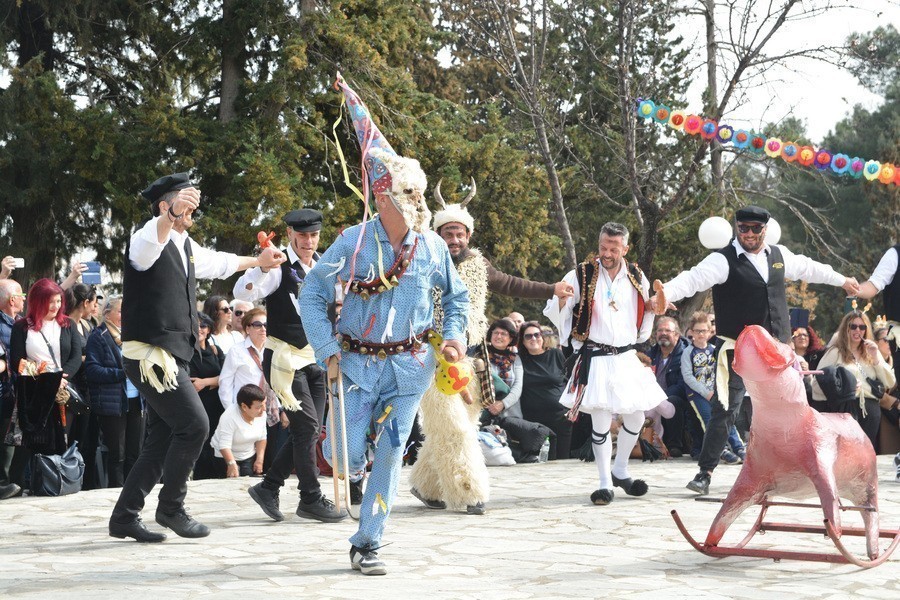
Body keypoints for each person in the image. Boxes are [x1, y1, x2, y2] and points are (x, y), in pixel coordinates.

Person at [299, 73, 468, 576]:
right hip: (353, 363)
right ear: (383, 195)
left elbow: (455, 299)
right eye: (407, 195)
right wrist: (326, 346)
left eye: (420, 196)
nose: (418, 204)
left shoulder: (433, 246)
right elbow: (311, 294)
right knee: (343, 453)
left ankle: (368, 541)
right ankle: (348, 449)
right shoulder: (352, 241)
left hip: (411, 367)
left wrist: (455, 338)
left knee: (392, 452)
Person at [108, 171, 285, 543]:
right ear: (164, 205)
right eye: (183, 201)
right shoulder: (145, 238)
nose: (191, 208)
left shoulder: (185, 246)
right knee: (195, 426)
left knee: (160, 439)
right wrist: (169, 214)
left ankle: (124, 516)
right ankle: (171, 507)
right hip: (152, 357)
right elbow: (150, 244)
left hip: (173, 356)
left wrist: (259, 260)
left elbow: (219, 262)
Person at [651, 205, 859, 495]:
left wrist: (842, 280)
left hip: (775, 349)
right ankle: (705, 472)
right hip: (737, 349)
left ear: (765, 229)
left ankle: (793, 469)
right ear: (736, 228)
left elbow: (810, 267)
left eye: (755, 229)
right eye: (743, 228)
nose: (748, 234)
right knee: (726, 407)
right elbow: (692, 278)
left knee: (788, 407)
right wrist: (666, 294)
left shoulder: (778, 255)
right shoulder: (723, 260)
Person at [409, 180, 573, 513]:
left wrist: (551, 289)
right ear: (438, 235)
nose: (454, 240)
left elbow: (513, 284)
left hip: (468, 358)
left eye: (459, 234)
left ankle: (425, 485)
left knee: (459, 426)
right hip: (428, 357)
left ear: (467, 236)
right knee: (453, 427)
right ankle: (467, 493)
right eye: (447, 234)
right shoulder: (421, 264)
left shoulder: (479, 267)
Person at [236, 208, 345, 523]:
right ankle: (310, 497)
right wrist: (260, 265)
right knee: (308, 426)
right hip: (284, 359)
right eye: (302, 236)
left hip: (316, 358)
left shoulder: (324, 267)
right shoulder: (277, 266)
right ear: (290, 236)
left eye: (313, 235)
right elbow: (242, 293)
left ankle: (269, 487)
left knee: (308, 430)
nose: (308, 241)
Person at [544, 222, 665, 505]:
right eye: (603, 247)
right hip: (595, 355)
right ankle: (604, 482)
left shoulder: (636, 275)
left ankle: (620, 468)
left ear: (625, 248)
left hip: (624, 357)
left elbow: (646, 312)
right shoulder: (580, 274)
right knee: (600, 418)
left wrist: (653, 307)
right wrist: (562, 301)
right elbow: (555, 309)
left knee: (635, 416)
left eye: (613, 248)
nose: (607, 253)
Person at [9, 278, 84, 458]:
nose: (55, 306)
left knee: (62, 442)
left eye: (58, 301)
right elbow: (17, 361)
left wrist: (61, 378)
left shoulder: (68, 325)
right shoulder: (22, 326)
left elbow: (75, 356)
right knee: (34, 443)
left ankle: (59, 481)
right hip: (34, 393)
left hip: (62, 391)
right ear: (37, 301)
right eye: (50, 301)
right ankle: (30, 482)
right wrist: (47, 378)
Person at [83, 296, 145, 488]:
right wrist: (122, 374)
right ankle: (116, 492)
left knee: (135, 452)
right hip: (113, 404)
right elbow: (92, 370)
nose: (125, 315)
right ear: (107, 313)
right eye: (120, 311)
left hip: (137, 400)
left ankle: (133, 492)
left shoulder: (133, 335)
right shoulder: (98, 336)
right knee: (117, 454)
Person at [811, 311, 895, 449]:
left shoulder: (872, 352)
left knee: (865, 455)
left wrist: (875, 357)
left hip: (871, 410)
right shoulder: (835, 352)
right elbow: (817, 384)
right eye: (853, 326)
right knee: (846, 454)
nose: (858, 330)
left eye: (862, 327)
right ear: (846, 328)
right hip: (845, 410)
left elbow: (890, 382)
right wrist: (845, 387)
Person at [680, 311, 745, 464]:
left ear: (710, 332)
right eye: (697, 331)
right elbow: (688, 377)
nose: (701, 334)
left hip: (717, 392)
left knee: (726, 417)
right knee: (708, 420)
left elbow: (722, 372)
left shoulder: (715, 350)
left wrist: (718, 390)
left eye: (704, 330)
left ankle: (739, 447)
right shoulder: (687, 352)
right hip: (697, 394)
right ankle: (720, 450)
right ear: (692, 332)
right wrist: (705, 392)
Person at [64, 283, 101, 489]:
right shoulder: (65, 324)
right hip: (70, 388)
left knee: (88, 440)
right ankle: (69, 480)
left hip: (87, 388)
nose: (94, 307)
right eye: (93, 302)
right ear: (85, 303)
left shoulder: (87, 325)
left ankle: (86, 483)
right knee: (70, 439)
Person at [517, 321, 571, 460]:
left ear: (542, 337)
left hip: (560, 417)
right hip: (534, 421)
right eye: (528, 336)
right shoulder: (519, 360)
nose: (533, 338)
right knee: (538, 463)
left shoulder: (556, 354)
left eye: (537, 334)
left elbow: (569, 381)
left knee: (563, 461)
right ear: (522, 341)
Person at [644, 316, 692, 458]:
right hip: (651, 398)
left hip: (676, 397)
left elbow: (683, 384)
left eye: (667, 330)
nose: (663, 333)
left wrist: (660, 397)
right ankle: (644, 444)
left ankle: (674, 445)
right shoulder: (650, 354)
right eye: (660, 330)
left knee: (672, 401)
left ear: (677, 334)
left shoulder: (685, 353)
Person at [188, 313, 225, 480]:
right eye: (195, 325)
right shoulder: (186, 353)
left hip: (217, 404)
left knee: (215, 442)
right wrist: (212, 382)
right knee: (201, 444)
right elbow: (192, 382)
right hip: (198, 404)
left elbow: (227, 376)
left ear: (209, 329)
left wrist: (205, 382)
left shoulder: (215, 351)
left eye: (203, 326)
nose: (199, 329)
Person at [0, 278, 26, 498]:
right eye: (21, 296)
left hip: (17, 389)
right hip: (3, 390)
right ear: (12, 300)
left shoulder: (21, 323)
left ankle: (12, 483)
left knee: (12, 438)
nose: (24, 300)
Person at [210, 383, 267, 477]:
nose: (263, 409)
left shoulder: (261, 414)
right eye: (259, 407)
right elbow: (224, 445)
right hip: (224, 456)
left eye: (264, 404)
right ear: (244, 407)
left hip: (247, 454)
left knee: (247, 481)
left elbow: (262, 438)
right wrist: (232, 464)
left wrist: (259, 460)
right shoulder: (229, 417)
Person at [218, 308, 269, 408]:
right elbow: (225, 384)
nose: (263, 329)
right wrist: (231, 411)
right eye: (258, 325)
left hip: (271, 411)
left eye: (266, 325)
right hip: (244, 411)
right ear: (247, 329)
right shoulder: (236, 351)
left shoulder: (273, 351)